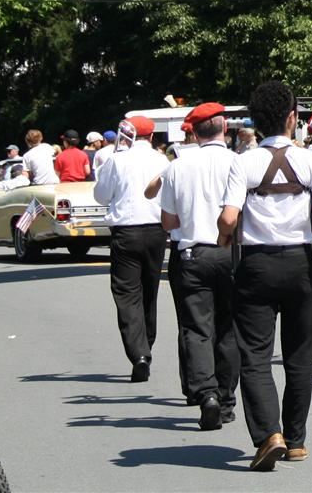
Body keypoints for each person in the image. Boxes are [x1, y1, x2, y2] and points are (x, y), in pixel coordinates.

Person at [218, 79, 312, 472]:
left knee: (256, 355)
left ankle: (268, 434)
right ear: (293, 118)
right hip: (302, 263)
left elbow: (229, 217)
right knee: (301, 357)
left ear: (256, 123)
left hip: (257, 265)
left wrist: (223, 236)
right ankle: (295, 439)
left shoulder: (242, 162)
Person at [156, 102, 240, 431]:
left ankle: (207, 395)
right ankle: (227, 397)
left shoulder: (178, 166)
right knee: (228, 327)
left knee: (196, 329)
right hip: (230, 251)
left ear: (194, 131)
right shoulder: (237, 162)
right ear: (225, 128)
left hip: (192, 252)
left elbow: (167, 221)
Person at [92, 115, 170, 381]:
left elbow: (101, 195)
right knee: (150, 290)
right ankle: (147, 343)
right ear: (151, 136)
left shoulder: (116, 159)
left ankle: (139, 353)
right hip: (156, 230)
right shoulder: (161, 159)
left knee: (127, 294)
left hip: (126, 231)